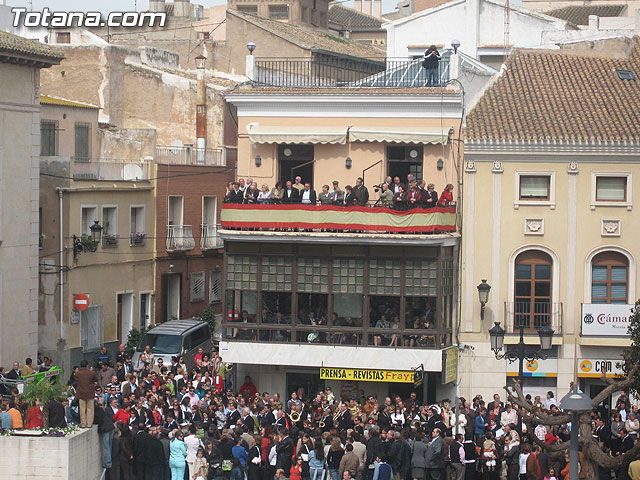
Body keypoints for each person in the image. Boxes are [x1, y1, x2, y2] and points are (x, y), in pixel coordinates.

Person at [75, 359, 97, 428]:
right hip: (90, 393)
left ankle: (83, 423)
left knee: (82, 409)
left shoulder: (77, 374)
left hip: (81, 393)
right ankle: (89, 423)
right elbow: (96, 379)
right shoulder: (91, 373)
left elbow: (76, 380)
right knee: (90, 409)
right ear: (87, 366)